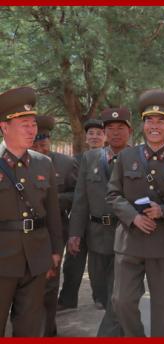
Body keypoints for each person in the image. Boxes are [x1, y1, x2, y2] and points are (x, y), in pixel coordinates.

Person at [106, 89, 164, 337]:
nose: (154, 126)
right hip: (129, 241)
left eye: (161, 121)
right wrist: (133, 217)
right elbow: (113, 194)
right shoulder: (126, 157)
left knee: (163, 308)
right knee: (121, 302)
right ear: (142, 124)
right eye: (149, 120)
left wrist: (163, 210)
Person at [0, 86, 63, 337]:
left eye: (33, 124)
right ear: (4, 127)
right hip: (2, 258)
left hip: (36, 257)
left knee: (28, 327)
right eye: (24, 124)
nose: (32, 130)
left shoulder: (43, 163)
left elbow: (53, 212)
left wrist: (56, 250)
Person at [67, 107, 132, 336]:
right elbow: (80, 199)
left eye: (120, 128)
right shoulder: (90, 157)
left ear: (129, 131)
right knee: (102, 292)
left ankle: (111, 334)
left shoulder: (137, 158)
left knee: (120, 293)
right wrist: (75, 234)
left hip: (125, 236)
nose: (115, 133)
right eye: (110, 129)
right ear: (104, 133)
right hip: (96, 236)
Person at [32, 115, 78, 337]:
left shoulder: (65, 163)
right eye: (36, 142)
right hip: (23, 232)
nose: (41, 147)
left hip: (55, 229)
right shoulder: (18, 161)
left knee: (49, 284)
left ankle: (48, 330)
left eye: (44, 142)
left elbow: (77, 195)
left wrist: (55, 201)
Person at [57, 117, 105, 312]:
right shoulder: (75, 160)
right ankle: (67, 299)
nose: (94, 137)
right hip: (78, 219)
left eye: (98, 133)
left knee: (98, 264)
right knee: (72, 261)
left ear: (105, 137)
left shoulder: (111, 159)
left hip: (98, 221)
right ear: (85, 138)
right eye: (90, 133)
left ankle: (101, 296)